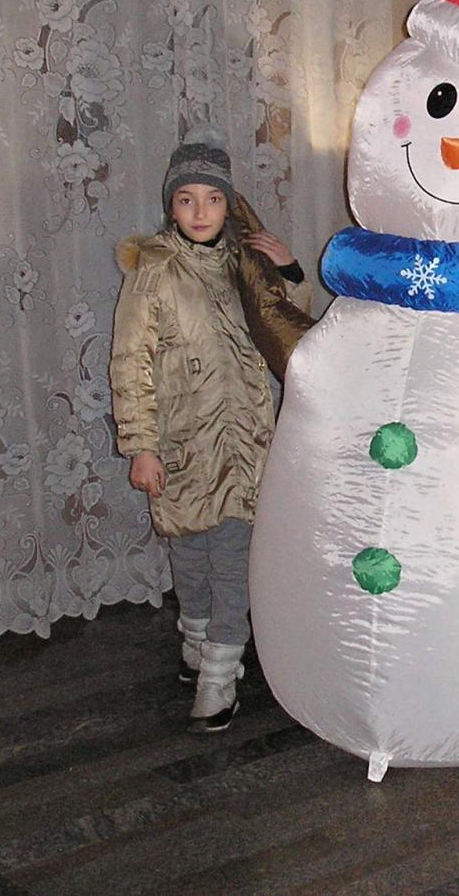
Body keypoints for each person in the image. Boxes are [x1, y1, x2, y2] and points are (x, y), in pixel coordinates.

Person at [110, 129, 306, 733]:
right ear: (171, 205)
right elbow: (130, 361)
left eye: (213, 199)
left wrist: (287, 267)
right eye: (187, 199)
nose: (200, 212)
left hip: (245, 443)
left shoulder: (242, 264)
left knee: (233, 560)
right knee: (189, 555)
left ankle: (220, 676)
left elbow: (286, 324)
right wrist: (140, 445)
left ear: (229, 204)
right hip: (181, 446)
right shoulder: (154, 271)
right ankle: (196, 644)